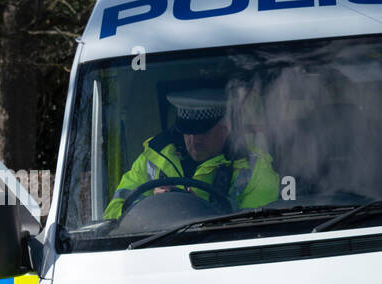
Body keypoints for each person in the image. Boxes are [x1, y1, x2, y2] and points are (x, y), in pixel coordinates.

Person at [105, 89, 280, 219]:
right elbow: (113, 215)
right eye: (187, 131)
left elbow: (257, 230)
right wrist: (152, 204)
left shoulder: (255, 168)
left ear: (226, 127)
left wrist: (201, 209)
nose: (194, 139)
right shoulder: (152, 157)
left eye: (203, 131)